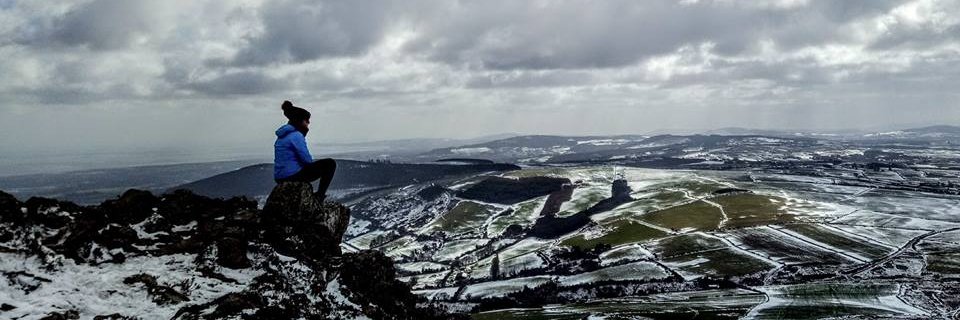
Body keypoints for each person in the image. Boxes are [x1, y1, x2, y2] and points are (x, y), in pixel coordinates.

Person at [274, 100, 337, 202]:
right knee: (330, 164)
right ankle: (320, 195)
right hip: (292, 176)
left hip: (279, 177)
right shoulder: (296, 136)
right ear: (300, 121)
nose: (308, 122)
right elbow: (307, 160)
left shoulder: (282, 136)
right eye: (306, 120)